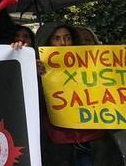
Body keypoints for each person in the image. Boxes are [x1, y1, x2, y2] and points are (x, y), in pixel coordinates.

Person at [36, 22, 122, 166]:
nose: (63, 43)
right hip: (60, 144)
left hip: (95, 140)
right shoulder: (37, 68)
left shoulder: (92, 65)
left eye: (67, 38)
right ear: (47, 41)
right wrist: (36, 76)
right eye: (56, 38)